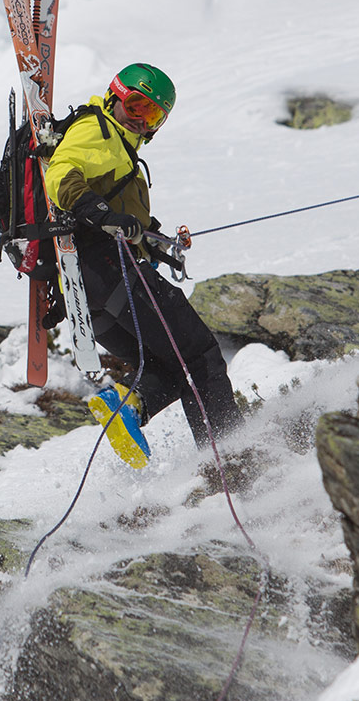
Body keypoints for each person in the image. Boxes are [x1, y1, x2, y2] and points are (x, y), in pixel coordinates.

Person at [43, 63, 243, 446]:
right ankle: (234, 456)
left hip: (88, 292)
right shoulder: (98, 132)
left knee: (172, 365)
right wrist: (104, 217)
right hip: (107, 270)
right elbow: (60, 174)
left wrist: (150, 240)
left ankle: (130, 406)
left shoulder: (122, 152)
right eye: (135, 105)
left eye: (153, 114)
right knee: (200, 356)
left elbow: (116, 213)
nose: (140, 120)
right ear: (114, 96)